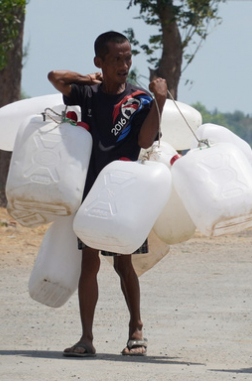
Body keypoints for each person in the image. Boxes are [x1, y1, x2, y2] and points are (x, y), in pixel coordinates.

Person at [48, 31, 167, 357]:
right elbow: (55, 77)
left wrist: (160, 101)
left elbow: (144, 141)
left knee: (123, 264)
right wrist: (86, 78)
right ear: (100, 61)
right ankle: (86, 338)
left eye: (128, 57)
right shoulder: (87, 93)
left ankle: (136, 329)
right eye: (116, 58)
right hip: (90, 191)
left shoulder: (140, 100)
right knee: (90, 264)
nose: (125, 64)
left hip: (124, 192)